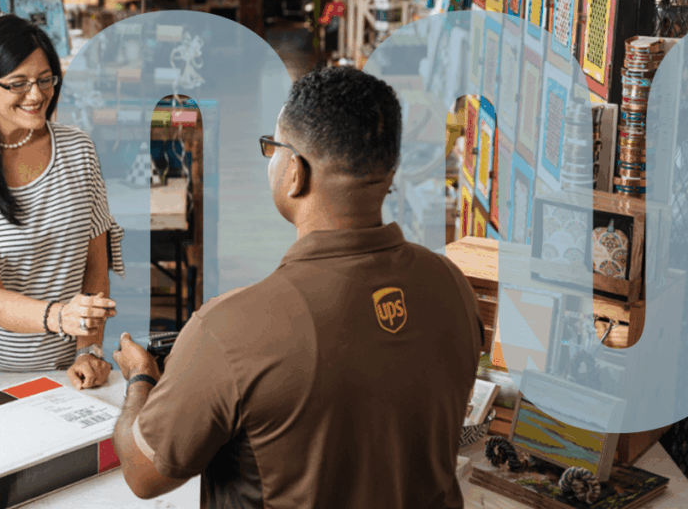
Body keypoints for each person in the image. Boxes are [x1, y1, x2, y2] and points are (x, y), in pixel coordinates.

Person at [112, 67, 484, 508]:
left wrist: (141, 379)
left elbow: (143, 473)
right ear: (389, 172)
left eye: (272, 148)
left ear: (295, 172)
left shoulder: (230, 330)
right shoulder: (451, 285)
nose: (271, 159)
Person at [0, 15, 124, 389]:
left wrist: (88, 350)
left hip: (62, 375)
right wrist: (61, 316)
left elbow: (95, 269)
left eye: (44, 79)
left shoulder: (78, 151)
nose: (36, 95)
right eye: (18, 84)